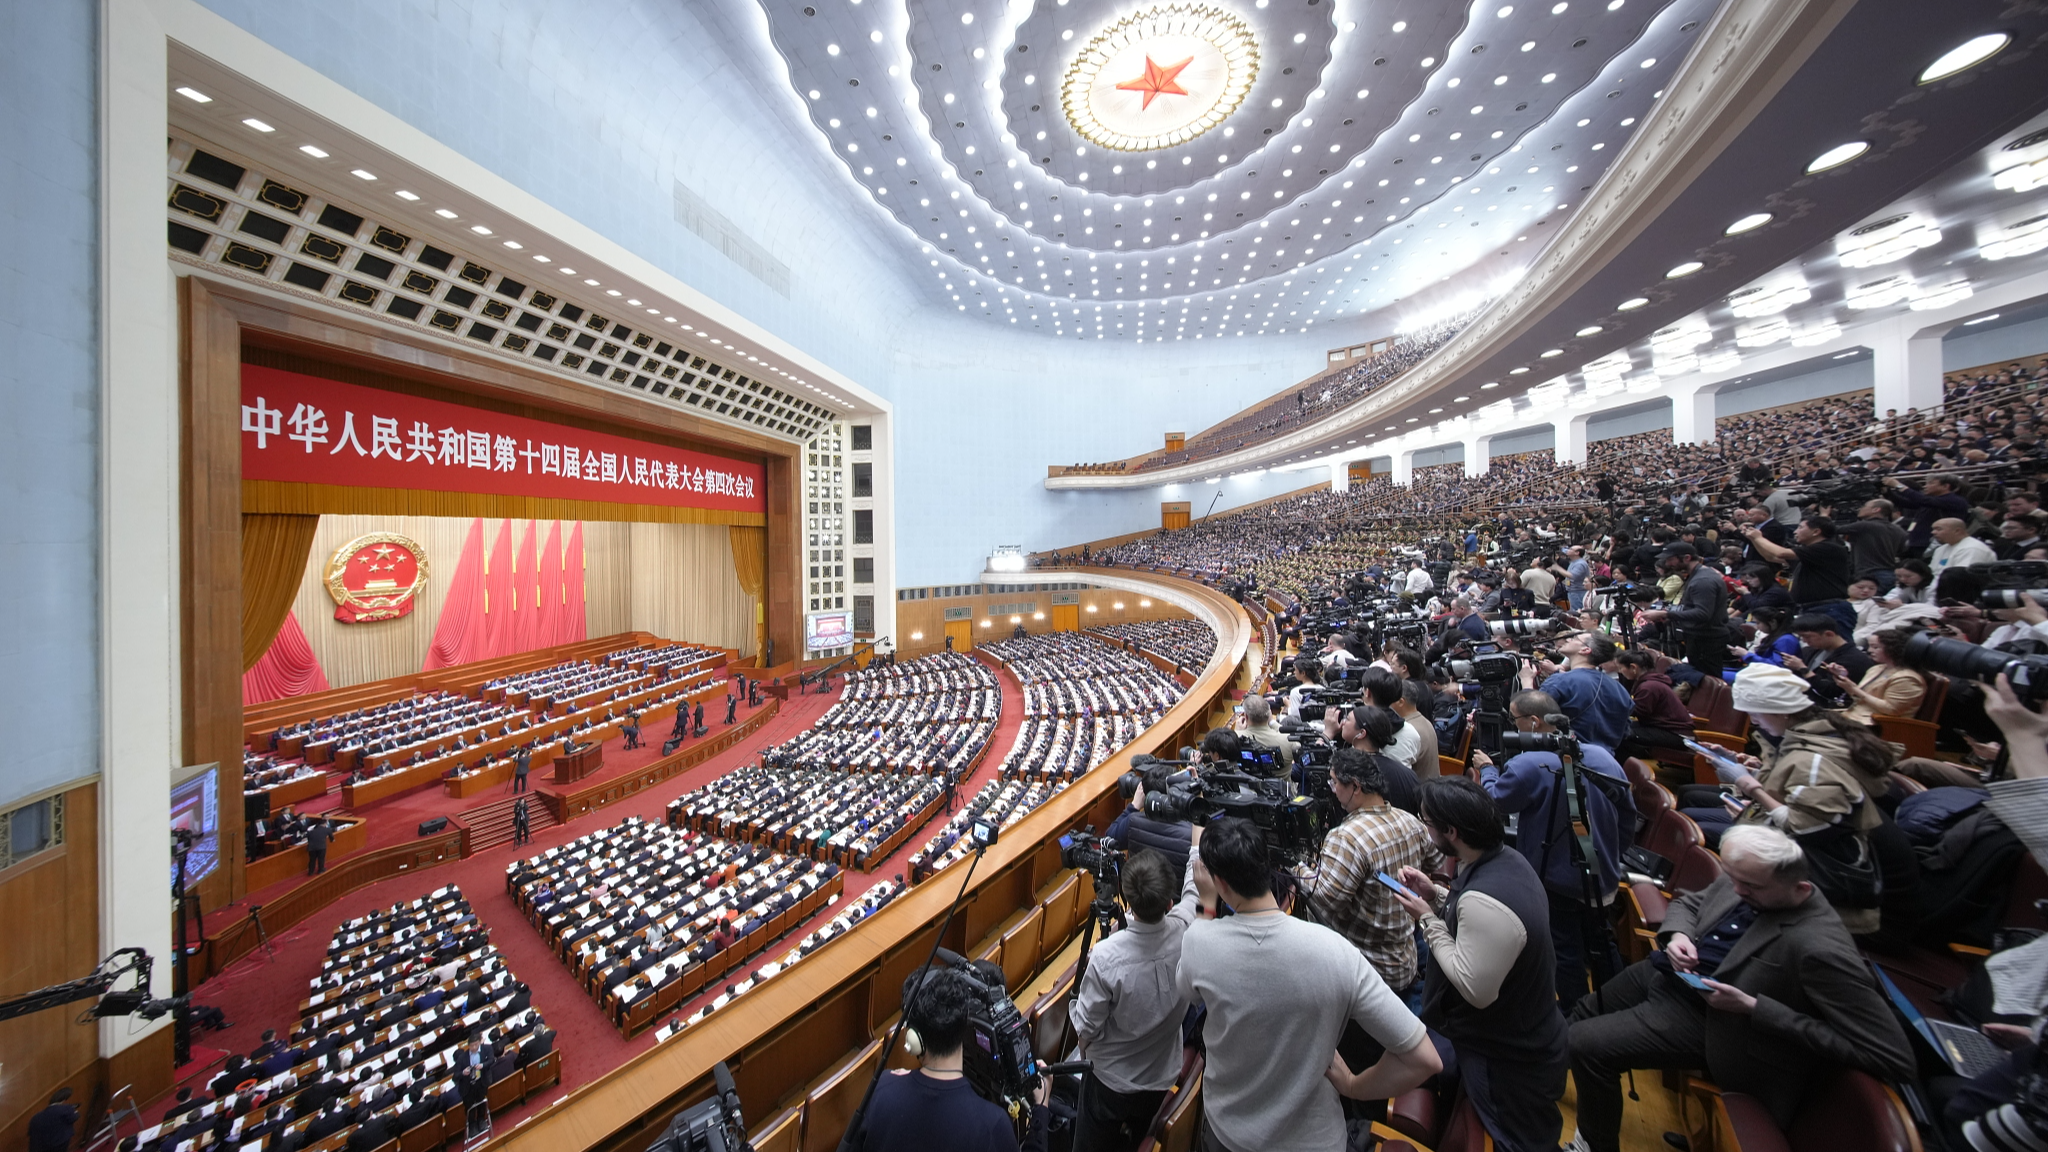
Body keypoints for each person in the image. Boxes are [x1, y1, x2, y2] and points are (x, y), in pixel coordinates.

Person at [1565, 825, 1914, 1152]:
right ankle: (1537, 1085)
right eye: (1735, 880)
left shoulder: (1821, 949)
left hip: (1713, 1020)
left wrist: (1753, 1007)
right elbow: (1690, 903)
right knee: (1583, 1010)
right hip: (1671, 972)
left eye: (1749, 887)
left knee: (1586, 1045)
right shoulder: (1750, 879)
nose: (1737, 891)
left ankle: (1593, 1145)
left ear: (1801, 889)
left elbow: (1892, 1055)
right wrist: (1679, 935)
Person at [1177, 819, 1441, 1152]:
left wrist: (1205, 905)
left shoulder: (1200, 941)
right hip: (1315, 1141)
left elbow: (1187, 992)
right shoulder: (1336, 951)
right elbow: (1425, 1059)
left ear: (1218, 883)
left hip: (1230, 1135)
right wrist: (1354, 1086)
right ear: (1270, 866)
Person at [1390, 778, 1569, 1152]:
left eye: (1427, 822)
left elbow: (1475, 989)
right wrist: (1436, 895)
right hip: (1522, 1035)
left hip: (1508, 1064)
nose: (1425, 828)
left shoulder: (1484, 902)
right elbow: (1474, 919)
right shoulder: (1506, 858)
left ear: (1451, 831)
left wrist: (1427, 918)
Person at [1679, 664, 1896, 934]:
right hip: (1809, 863)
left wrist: (1746, 783)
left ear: (1778, 711)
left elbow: (1803, 826)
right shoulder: (1806, 735)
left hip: (1831, 895)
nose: (1753, 721)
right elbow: (1794, 790)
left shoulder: (1813, 758)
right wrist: (1741, 767)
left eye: (1753, 713)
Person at [1469, 690, 1634, 1010]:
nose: (1512, 727)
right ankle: (1617, 1008)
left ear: (1533, 722)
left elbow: (1496, 801)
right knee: (1603, 941)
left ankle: (1575, 1013)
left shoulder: (1529, 764)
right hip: (1601, 872)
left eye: (1514, 720)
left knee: (1565, 950)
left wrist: (1487, 769)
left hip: (1555, 878)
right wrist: (1611, 853)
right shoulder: (1602, 756)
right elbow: (1626, 815)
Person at [1069, 849, 1194, 1152]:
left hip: (1111, 1083)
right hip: (1160, 1076)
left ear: (1126, 897)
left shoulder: (1105, 956)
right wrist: (1196, 841)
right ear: (1169, 903)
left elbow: (1086, 1033)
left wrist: (1075, 1009)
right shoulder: (1189, 929)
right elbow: (1195, 887)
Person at [849, 966, 1051, 1152]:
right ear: (965, 1024)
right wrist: (1042, 1107)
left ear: (913, 1038)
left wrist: (893, 1086)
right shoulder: (993, 1124)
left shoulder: (882, 1090)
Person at [1305, 749, 1442, 1009]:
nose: (1332, 789)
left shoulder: (1346, 837)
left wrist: (1298, 868)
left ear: (1355, 787)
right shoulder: (1411, 821)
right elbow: (1436, 867)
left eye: (1334, 782)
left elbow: (1323, 900)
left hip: (1367, 971)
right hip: (1406, 957)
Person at [1739, 515, 1856, 639]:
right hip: (1811, 608)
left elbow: (1780, 552)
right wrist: (1753, 539)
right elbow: (1771, 557)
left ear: (1816, 531)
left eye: (1800, 527)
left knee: (1839, 647)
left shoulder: (1828, 547)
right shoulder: (1809, 553)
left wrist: (1758, 537)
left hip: (1829, 608)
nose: (1795, 531)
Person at [1531, 631, 1634, 752]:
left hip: (1564, 761)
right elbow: (1625, 731)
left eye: (1574, 638)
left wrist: (1526, 680)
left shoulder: (1559, 682)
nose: (1568, 640)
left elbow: (1530, 717)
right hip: (1606, 763)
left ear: (1585, 650)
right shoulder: (1620, 690)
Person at [1639, 543, 1729, 679]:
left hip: (1706, 639)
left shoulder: (1703, 580)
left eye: (1670, 559)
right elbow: (1690, 608)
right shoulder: (1697, 576)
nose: (1668, 564)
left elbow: (1702, 613)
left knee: (1707, 681)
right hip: (1698, 637)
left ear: (1686, 558)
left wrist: (1665, 614)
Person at [1323, 703, 1421, 813]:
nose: (1343, 722)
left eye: (1348, 719)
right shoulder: (1407, 774)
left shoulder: (1346, 773)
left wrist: (1327, 733)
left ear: (1361, 733)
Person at [1613, 650, 1694, 763]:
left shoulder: (1649, 686)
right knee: (1618, 727)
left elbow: (1639, 711)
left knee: (1621, 734)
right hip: (1661, 727)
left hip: (1675, 734)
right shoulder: (1650, 682)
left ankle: (1626, 770)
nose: (1620, 672)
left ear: (1633, 667)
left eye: (1621, 668)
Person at [1234, 693, 1293, 774]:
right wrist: (1272, 722)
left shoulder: (1234, 739)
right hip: (1282, 785)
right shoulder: (1289, 739)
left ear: (1246, 717)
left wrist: (1237, 732)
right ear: (1269, 714)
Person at [27, 1088, 79, 1152]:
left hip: (40, 1147)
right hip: (59, 1145)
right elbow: (75, 1117)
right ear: (64, 1099)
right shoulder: (67, 1109)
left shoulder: (36, 1117)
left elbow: (32, 1134)